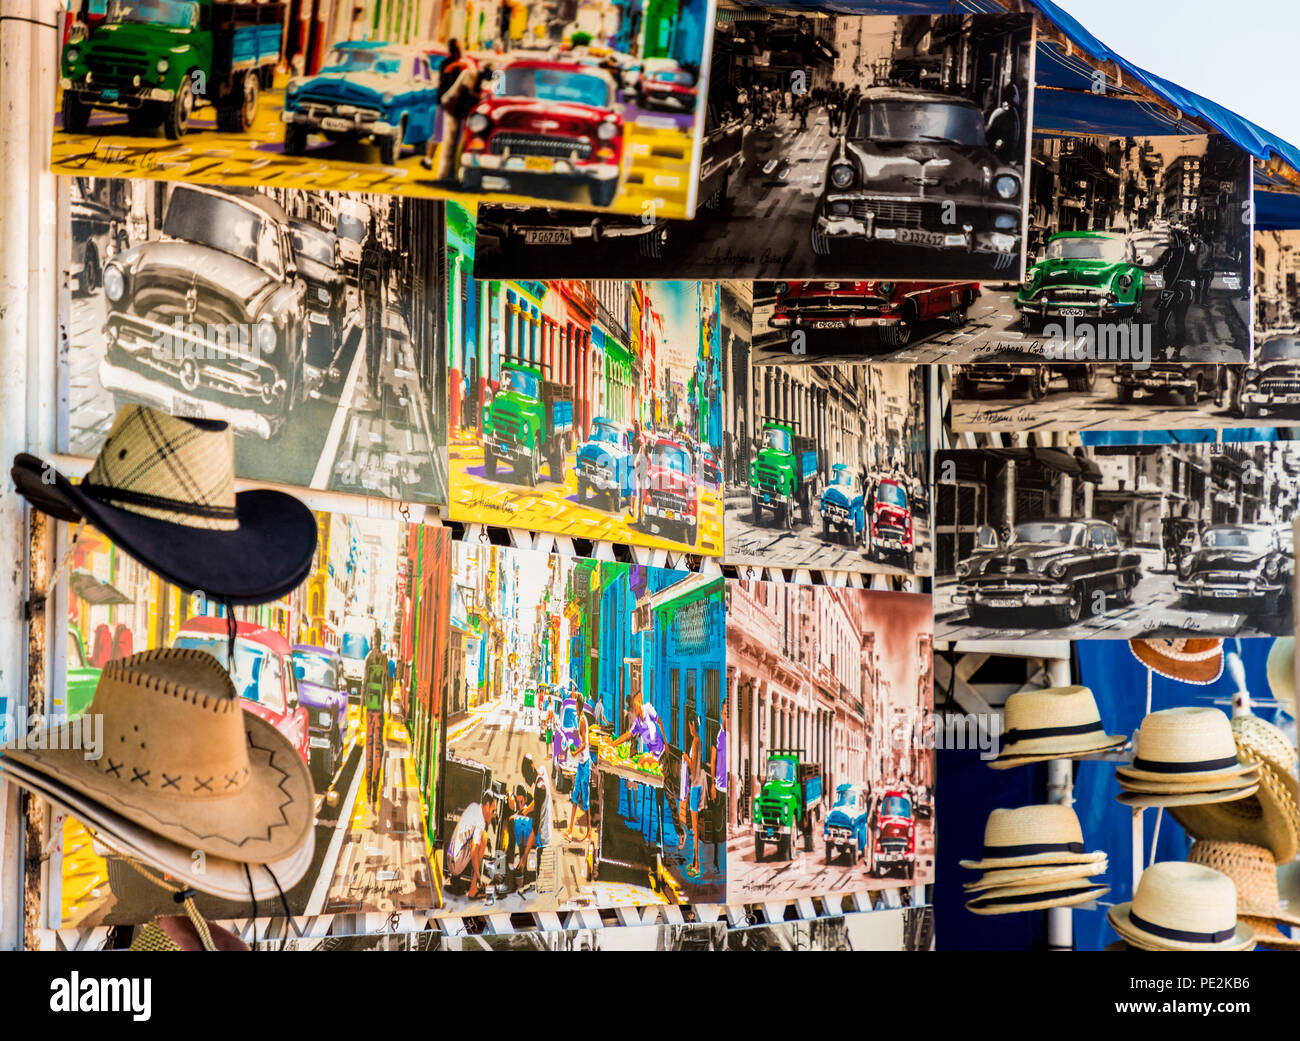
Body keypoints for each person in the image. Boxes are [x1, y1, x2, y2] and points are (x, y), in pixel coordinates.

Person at [611, 690, 668, 841]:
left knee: (664, 792)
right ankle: (657, 833)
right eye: (632, 710)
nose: (634, 712)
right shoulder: (637, 723)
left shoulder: (648, 708)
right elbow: (627, 735)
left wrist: (667, 744)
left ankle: (666, 832)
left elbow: (660, 722)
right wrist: (613, 744)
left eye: (635, 708)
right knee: (657, 793)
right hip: (653, 759)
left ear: (638, 704)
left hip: (662, 755)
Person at [446, 789, 496, 898]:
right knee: (483, 838)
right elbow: (474, 852)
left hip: (449, 860)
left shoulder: (473, 806)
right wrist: (478, 876)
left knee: (474, 838)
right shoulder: (480, 821)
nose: (492, 815)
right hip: (456, 864)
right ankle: (473, 890)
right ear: (487, 805)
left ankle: (457, 879)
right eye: (493, 811)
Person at [362, 625, 389, 813]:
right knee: (378, 749)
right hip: (379, 709)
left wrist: (364, 706)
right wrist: (386, 703)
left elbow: (364, 682)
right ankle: (375, 785)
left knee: (369, 748)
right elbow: (386, 682)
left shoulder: (368, 658)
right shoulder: (384, 658)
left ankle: (368, 791)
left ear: (373, 641)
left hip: (369, 709)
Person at [516, 752, 552, 887]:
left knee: (521, 834)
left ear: (531, 770)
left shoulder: (539, 787)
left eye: (526, 776)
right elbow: (537, 803)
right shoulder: (541, 771)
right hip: (543, 827)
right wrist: (525, 810)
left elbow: (535, 827)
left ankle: (526, 873)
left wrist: (524, 857)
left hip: (542, 834)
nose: (526, 780)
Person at [564, 689, 591, 841]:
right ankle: (570, 829)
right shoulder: (580, 718)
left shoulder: (582, 720)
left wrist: (575, 752)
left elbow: (585, 743)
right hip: (582, 763)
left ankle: (588, 833)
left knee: (585, 799)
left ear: (578, 705)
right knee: (575, 796)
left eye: (575, 704)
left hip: (584, 763)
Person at [684, 713, 704, 876]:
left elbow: (693, 765)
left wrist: (685, 757)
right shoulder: (698, 741)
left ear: (693, 725)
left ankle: (697, 867)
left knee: (695, 829)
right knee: (694, 828)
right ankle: (694, 861)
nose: (689, 728)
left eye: (690, 726)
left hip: (695, 785)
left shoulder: (695, 741)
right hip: (696, 785)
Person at [709, 695, 727, 873]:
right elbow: (713, 759)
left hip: (730, 789)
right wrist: (713, 784)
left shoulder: (732, 733)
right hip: (719, 786)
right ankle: (715, 862)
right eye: (723, 713)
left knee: (726, 829)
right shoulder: (718, 733)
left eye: (727, 713)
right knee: (716, 826)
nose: (725, 716)